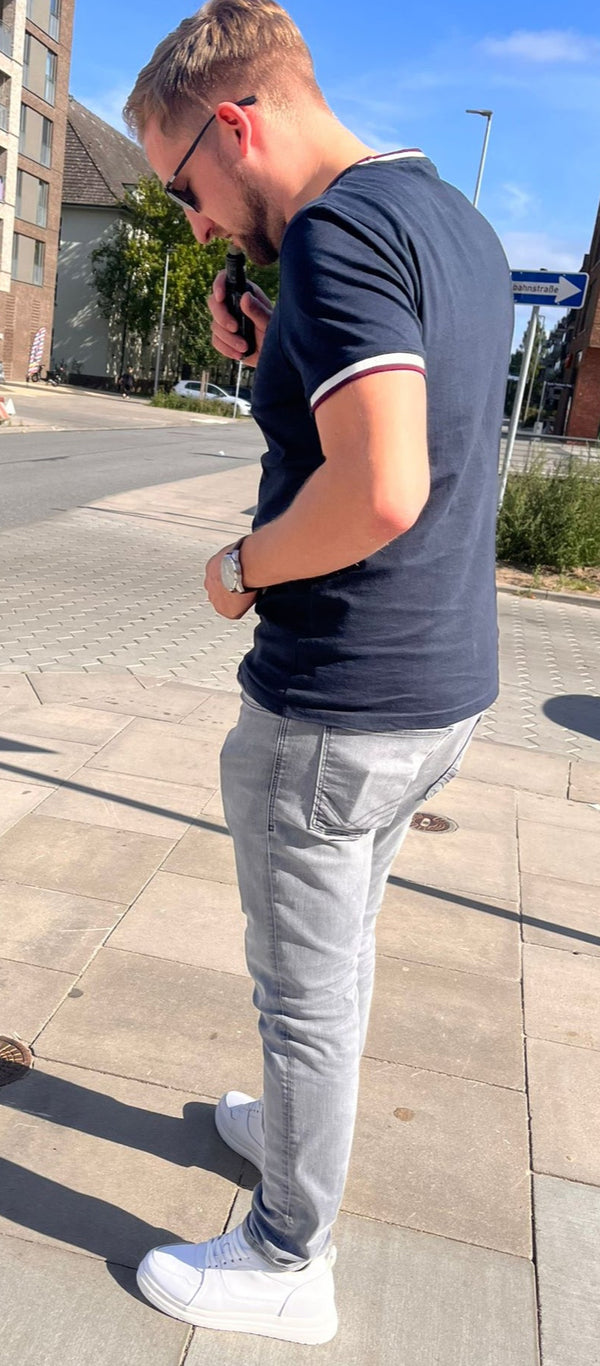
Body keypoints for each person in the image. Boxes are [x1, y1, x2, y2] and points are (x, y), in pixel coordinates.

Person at [124, 0, 513, 1345]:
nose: (192, 225)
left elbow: (383, 487)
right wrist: (268, 347)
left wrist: (243, 565)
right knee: (332, 960)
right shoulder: (439, 216)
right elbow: (403, 425)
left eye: (184, 188)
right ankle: (297, 1129)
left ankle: (290, 1254)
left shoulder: (335, 237)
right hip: (439, 687)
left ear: (237, 124)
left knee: (301, 989)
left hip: (338, 700)